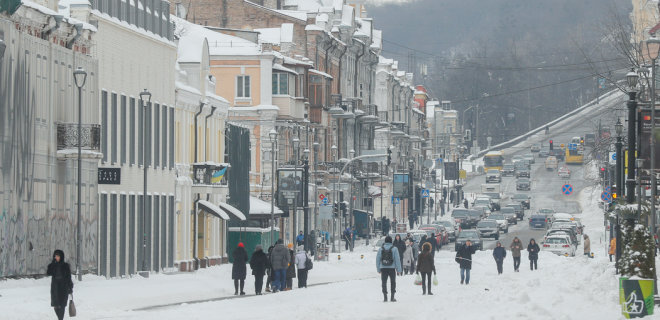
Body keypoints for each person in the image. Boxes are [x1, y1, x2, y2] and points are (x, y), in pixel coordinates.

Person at [47, 249, 73, 320]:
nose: (56, 257)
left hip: (63, 288)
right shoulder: (53, 265)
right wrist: (53, 263)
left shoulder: (65, 266)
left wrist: (70, 288)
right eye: (55, 256)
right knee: (55, 306)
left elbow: (68, 277)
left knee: (62, 306)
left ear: (61, 256)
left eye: (58, 256)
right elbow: (48, 273)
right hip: (55, 288)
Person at [376, 235, 402, 302]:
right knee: (393, 282)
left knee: (384, 282)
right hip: (392, 268)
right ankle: (392, 297)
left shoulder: (381, 249)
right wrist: (399, 270)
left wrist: (378, 269)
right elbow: (397, 260)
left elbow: (377, 259)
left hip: (383, 268)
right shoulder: (394, 248)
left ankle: (385, 297)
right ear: (391, 241)